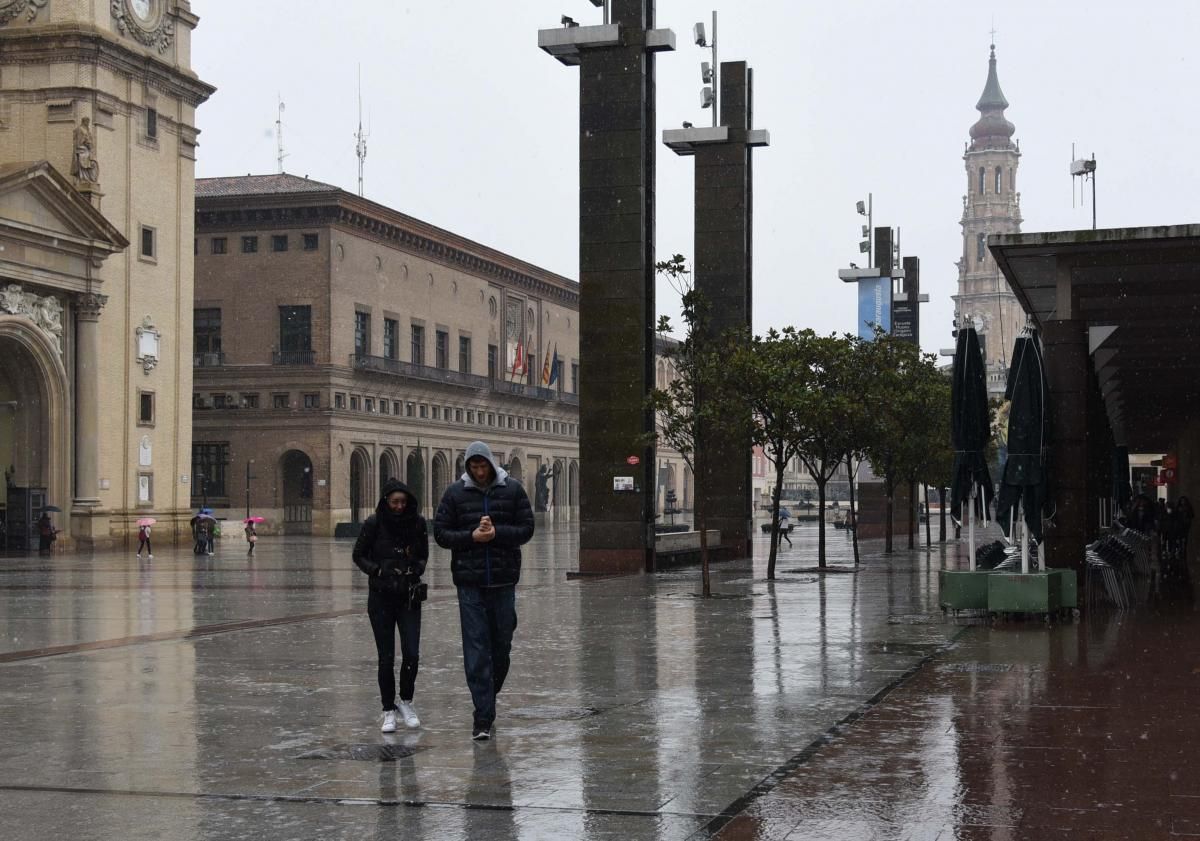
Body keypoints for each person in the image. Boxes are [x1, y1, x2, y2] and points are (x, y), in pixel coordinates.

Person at [434, 441, 534, 741]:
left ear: (491, 464)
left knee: (501, 644)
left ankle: (488, 695)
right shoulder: (454, 494)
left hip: (503, 581)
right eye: (473, 467)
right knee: (476, 648)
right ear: (467, 467)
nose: (479, 472)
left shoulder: (512, 490)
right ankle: (482, 716)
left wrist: (497, 534)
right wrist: (471, 537)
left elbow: (527, 528)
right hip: (470, 584)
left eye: (483, 466)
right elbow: (440, 533)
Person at [353, 480, 428, 733]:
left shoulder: (416, 523)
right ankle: (388, 709)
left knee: (412, 653)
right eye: (394, 502)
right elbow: (358, 554)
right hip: (381, 597)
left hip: (408, 596)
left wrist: (415, 568)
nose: (399, 507)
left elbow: (423, 554)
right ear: (386, 501)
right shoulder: (374, 523)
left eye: (403, 502)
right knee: (385, 657)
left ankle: (406, 701)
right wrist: (377, 570)